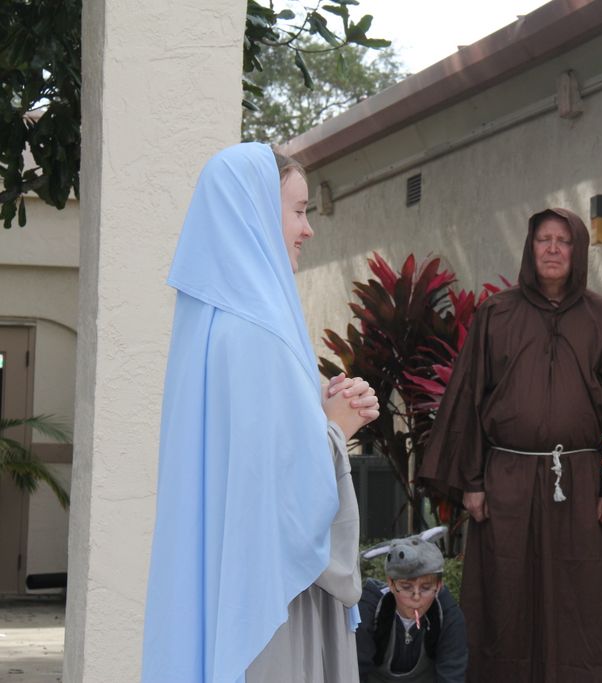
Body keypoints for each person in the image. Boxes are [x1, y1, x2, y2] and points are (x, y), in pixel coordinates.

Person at [141, 142, 379, 683]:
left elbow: (249, 461)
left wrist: (316, 409)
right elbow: (283, 496)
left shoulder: (213, 331)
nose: (307, 229)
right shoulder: (260, 336)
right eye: (297, 211)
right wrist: (336, 428)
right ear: (254, 213)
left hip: (235, 583)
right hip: (275, 601)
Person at [418, 207, 602, 682]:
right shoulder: (496, 314)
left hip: (583, 485)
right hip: (506, 482)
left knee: (581, 602)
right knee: (504, 599)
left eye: (563, 241)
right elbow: (468, 397)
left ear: (578, 251)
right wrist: (471, 481)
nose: (552, 249)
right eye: (543, 239)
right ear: (530, 247)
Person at [356, 527, 468, 682]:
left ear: (439, 585)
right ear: (391, 583)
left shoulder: (448, 615)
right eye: (406, 587)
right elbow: (355, 671)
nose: (416, 597)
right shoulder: (369, 609)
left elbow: (452, 675)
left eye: (426, 588)